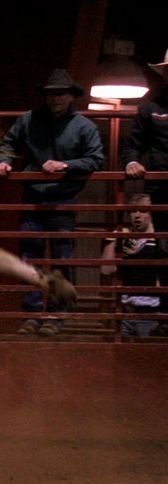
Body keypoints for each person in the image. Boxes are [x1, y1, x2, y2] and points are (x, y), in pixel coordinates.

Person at [0, 68, 104, 336]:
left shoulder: (84, 126)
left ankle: (56, 315)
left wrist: (66, 164)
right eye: (51, 94)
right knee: (29, 257)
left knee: (60, 258)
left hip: (63, 197)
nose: (55, 99)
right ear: (46, 96)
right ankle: (31, 314)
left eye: (60, 94)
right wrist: (4, 161)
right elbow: (8, 144)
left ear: (70, 96)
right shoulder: (28, 120)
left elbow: (96, 159)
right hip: (34, 195)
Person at [121, 49, 168, 336]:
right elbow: (133, 144)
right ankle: (163, 317)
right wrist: (132, 160)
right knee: (163, 252)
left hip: (161, 187)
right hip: (162, 189)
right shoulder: (150, 107)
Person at [101, 194, 160, 337]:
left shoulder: (161, 241)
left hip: (151, 315)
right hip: (125, 313)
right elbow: (106, 270)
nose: (137, 216)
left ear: (152, 213)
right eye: (133, 211)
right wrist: (114, 240)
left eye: (142, 211)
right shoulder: (125, 239)